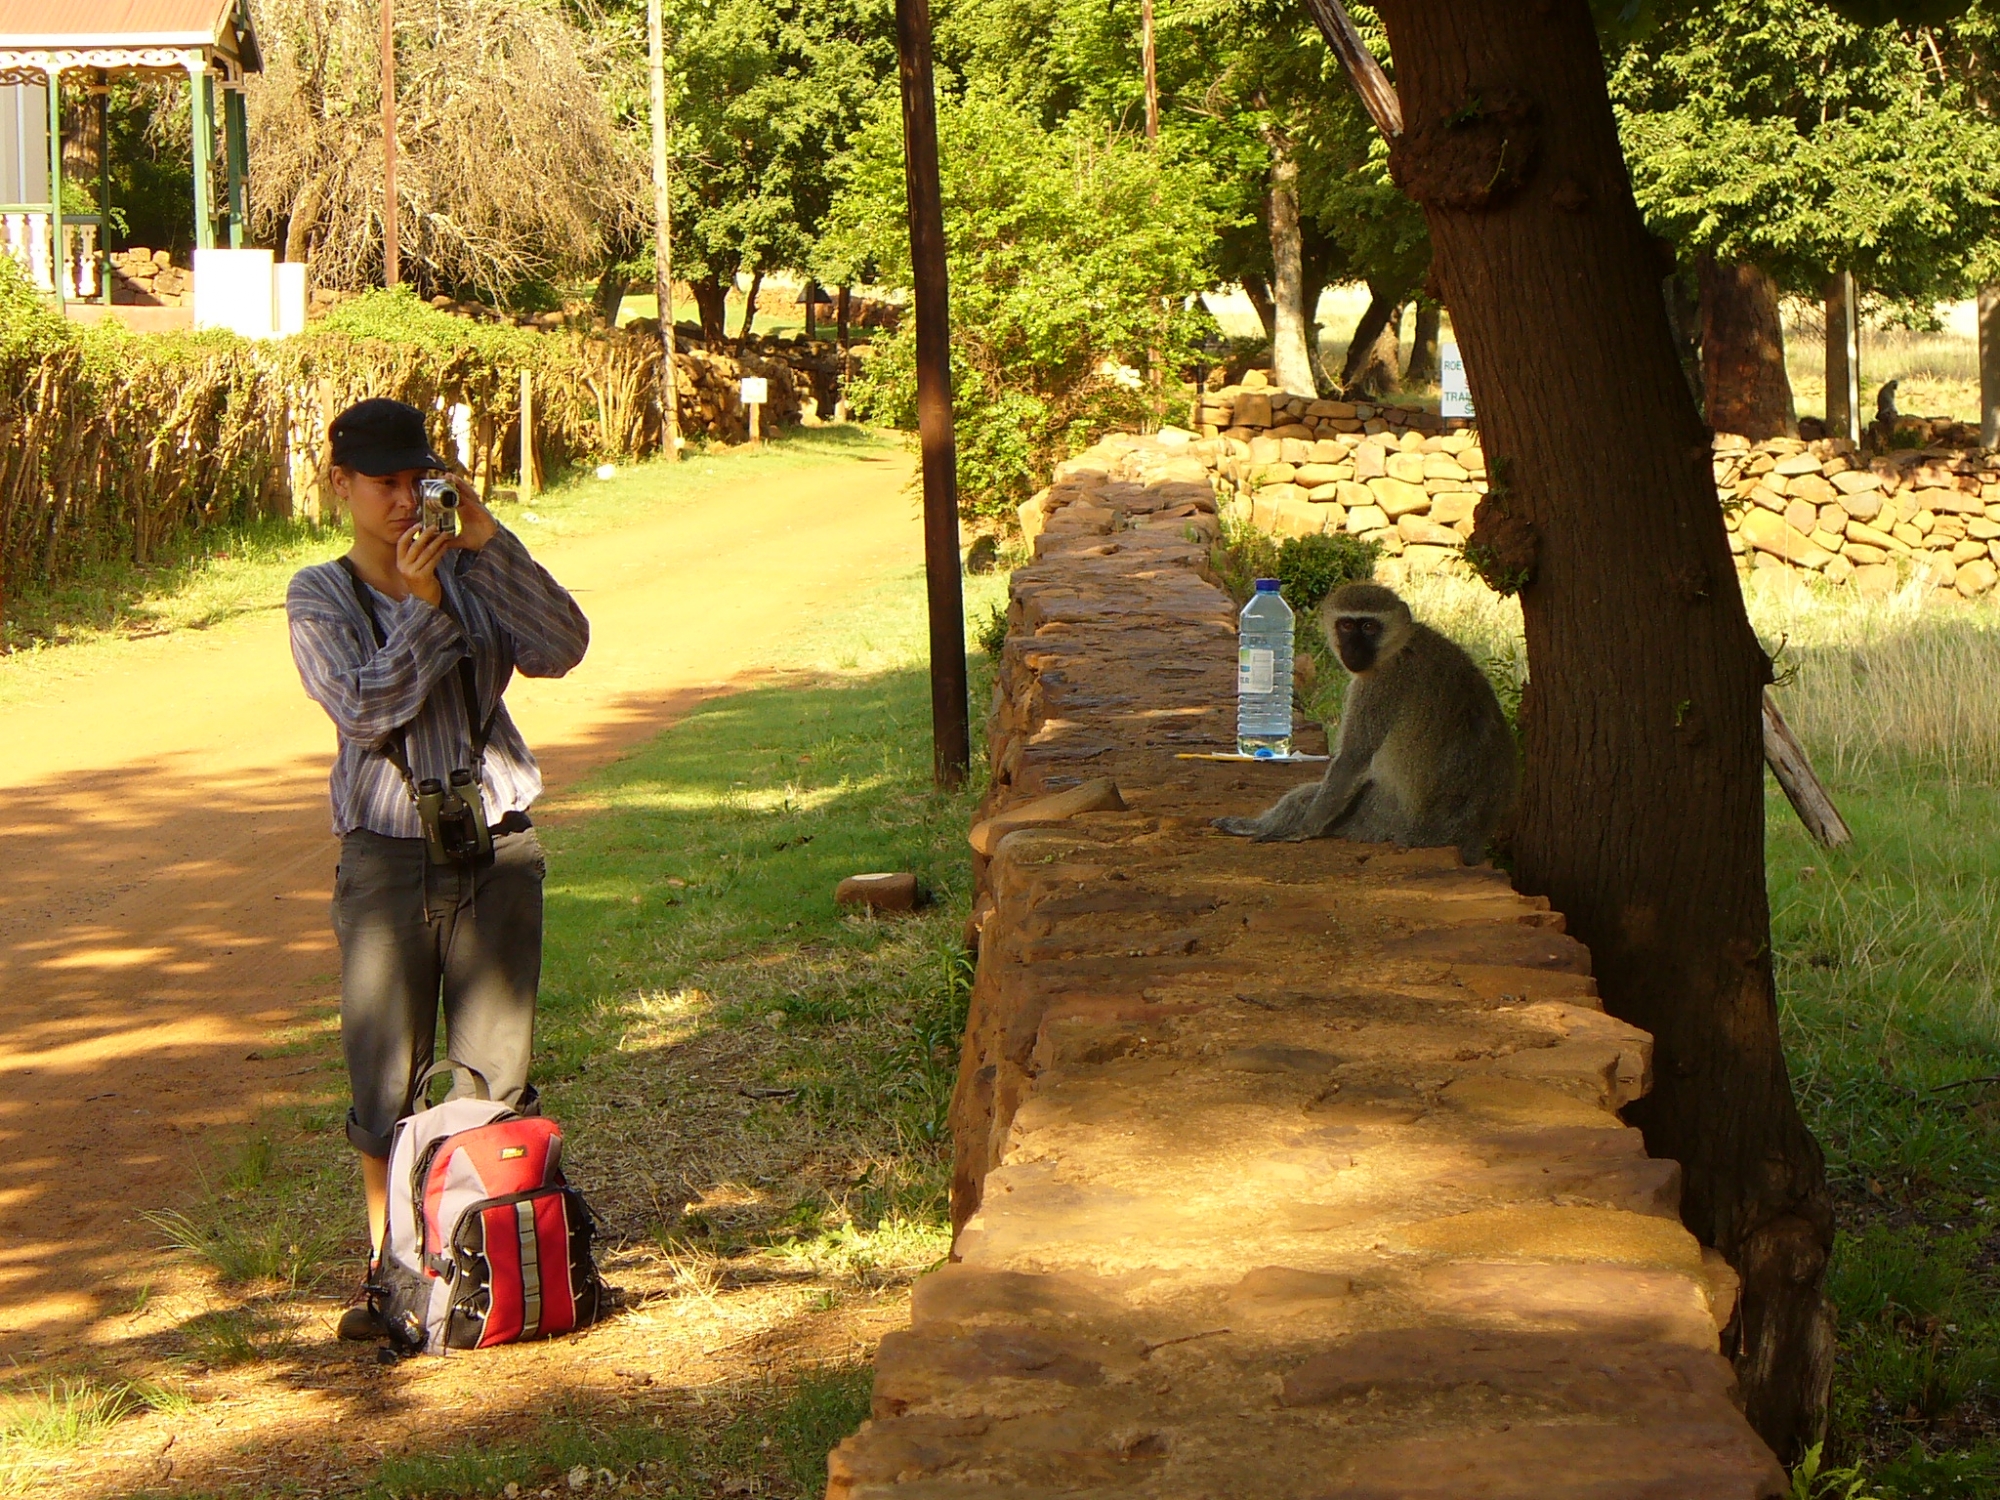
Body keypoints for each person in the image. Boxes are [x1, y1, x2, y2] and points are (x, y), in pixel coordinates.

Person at [286, 398, 589, 1341]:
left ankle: (491, 1259)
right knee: (385, 1079)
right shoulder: (319, 595)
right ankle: (391, 1278)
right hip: (388, 853)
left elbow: (563, 646)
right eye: (381, 483)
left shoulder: (467, 563)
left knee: (497, 1072)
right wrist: (424, 617)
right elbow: (364, 709)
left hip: (496, 839)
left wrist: (487, 540)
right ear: (340, 484)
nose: (402, 501)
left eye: (416, 480)